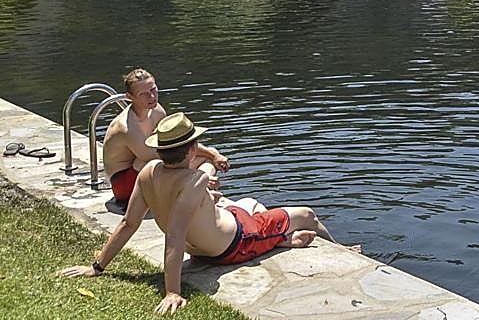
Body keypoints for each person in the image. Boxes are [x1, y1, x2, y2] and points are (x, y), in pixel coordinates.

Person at [61, 113, 352, 316]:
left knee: (249, 203)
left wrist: (97, 266)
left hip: (208, 242)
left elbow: (129, 223)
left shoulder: (148, 172)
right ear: (191, 148)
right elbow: (174, 237)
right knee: (306, 213)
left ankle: (282, 241)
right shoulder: (194, 181)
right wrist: (172, 291)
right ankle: (338, 249)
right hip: (237, 243)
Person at [103, 69, 228, 212]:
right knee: (151, 162)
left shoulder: (156, 110)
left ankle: (198, 188)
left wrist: (213, 154)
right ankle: (198, 187)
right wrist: (195, 175)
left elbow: (175, 142)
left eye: (153, 89)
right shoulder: (126, 128)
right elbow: (162, 157)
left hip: (148, 171)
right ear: (130, 97)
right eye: (143, 94)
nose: (151, 96)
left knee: (208, 159)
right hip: (125, 185)